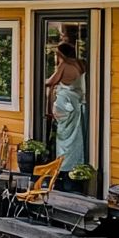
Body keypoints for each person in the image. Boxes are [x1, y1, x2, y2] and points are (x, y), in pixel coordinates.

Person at [46, 42, 86, 172]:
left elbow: (51, 81)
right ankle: (75, 167)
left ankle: (63, 169)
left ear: (61, 54)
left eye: (57, 54)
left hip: (65, 106)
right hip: (77, 105)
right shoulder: (80, 64)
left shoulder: (65, 65)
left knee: (64, 139)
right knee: (75, 138)